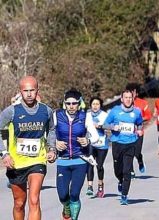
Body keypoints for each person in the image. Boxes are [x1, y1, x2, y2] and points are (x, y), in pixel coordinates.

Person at [0, 76, 56, 220]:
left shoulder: (46, 111)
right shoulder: (11, 111)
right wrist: (4, 154)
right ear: (20, 92)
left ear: (37, 90)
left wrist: (51, 149)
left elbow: (51, 130)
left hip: (37, 160)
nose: (29, 94)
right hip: (16, 163)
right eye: (26, 91)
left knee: (34, 200)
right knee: (19, 203)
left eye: (32, 90)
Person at [54, 89, 99, 220]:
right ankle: (66, 206)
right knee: (63, 196)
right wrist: (55, 143)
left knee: (74, 194)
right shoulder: (57, 115)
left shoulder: (85, 116)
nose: (71, 106)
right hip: (63, 160)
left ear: (79, 104)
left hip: (80, 160)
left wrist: (88, 140)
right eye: (68, 103)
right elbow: (47, 134)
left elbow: (95, 136)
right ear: (64, 104)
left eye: (74, 103)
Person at [103, 89, 144, 205]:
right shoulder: (115, 111)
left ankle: (124, 195)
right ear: (121, 99)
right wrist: (113, 127)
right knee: (118, 170)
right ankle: (120, 180)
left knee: (127, 170)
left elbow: (140, 123)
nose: (128, 100)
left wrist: (140, 130)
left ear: (133, 98)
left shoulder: (136, 112)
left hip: (131, 143)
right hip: (117, 143)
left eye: (130, 97)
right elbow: (105, 124)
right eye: (126, 97)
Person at [126, 83, 152, 177]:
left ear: (136, 92)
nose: (132, 94)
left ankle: (140, 160)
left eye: (134, 91)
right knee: (129, 151)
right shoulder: (124, 104)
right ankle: (131, 170)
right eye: (130, 92)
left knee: (137, 152)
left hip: (139, 131)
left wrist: (139, 119)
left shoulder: (142, 103)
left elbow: (148, 116)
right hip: (128, 132)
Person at [86, 97, 109, 198]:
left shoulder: (104, 115)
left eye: (97, 104)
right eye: (93, 104)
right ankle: (90, 187)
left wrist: (100, 126)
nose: (95, 106)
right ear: (90, 105)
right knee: (90, 163)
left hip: (102, 143)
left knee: (99, 166)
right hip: (91, 142)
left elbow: (110, 126)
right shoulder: (87, 115)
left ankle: (100, 186)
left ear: (100, 105)